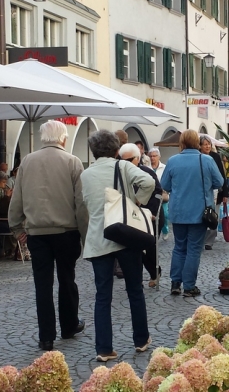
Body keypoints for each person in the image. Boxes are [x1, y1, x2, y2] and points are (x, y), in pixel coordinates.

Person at [8, 121, 88, 352]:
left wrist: (17, 229)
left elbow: (17, 199)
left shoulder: (27, 162)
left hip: (37, 234)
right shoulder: (72, 162)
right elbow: (80, 203)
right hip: (66, 232)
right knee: (67, 279)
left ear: (43, 138)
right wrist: (85, 234)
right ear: (63, 138)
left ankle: (46, 337)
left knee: (42, 285)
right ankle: (69, 325)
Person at [80, 130, 155, 362]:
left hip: (99, 238)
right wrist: (136, 201)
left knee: (103, 295)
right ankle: (141, 340)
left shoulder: (86, 174)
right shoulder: (122, 167)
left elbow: (86, 203)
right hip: (125, 235)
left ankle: (104, 349)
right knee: (135, 289)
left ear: (93, 151)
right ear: (116, 150)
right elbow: (149, 181)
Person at [160, 130, 223, 297]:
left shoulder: (172, 161)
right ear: (197, 142)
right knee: (194, 249)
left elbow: (164, 185)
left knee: (179, 247)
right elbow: (219, 182)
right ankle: (189, 286)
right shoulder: (207, 160)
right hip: (199, 212)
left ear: (182, 142)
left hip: (179, 211)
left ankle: (175, 283)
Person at [119, 144, 164, 288]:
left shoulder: (146, 172)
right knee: (134, 249)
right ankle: (135, 279)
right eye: (123, 160)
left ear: (137, 159)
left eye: (129, 160)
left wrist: (150, 212)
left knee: (149, 247)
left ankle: (154, 272)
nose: (125, 163)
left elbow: (158, 193)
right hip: (130, 217)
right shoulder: (119, 173)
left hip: (150, 214)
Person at [200, 137, 227, 251]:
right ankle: (201, 238)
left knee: (212, 216)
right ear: (200, 146)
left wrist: (225, 193)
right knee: (201, 216)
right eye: (205, 144)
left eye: (209, 144)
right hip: (201, 193)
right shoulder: (198, 157)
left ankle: (209, 241)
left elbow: (222, 175)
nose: (207, 146)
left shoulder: (215, 157)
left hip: (216, 191)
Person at [148, 148, 169, 240]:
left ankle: (165, 229)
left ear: (159, 156)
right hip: (150, 195)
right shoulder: (147, 167)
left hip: (162, 193)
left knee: (165, 213)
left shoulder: (164, 167)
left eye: (154, 156)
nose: (152, 158)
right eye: (151, 156)